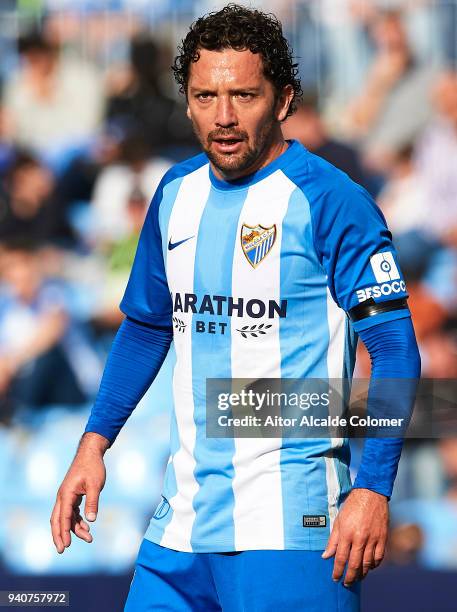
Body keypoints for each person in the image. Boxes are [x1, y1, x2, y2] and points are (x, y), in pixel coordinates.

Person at [50, 5, 420, 611]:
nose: (223, 117)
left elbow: (396, 348)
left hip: (292, 533)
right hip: (180, 530)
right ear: (187, 101)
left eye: (244, 95)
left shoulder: (332, 200)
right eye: (205, 96)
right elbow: (146, 329)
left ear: (283, 100)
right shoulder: (175, 193)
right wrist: (94, 444)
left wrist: (374, 488)